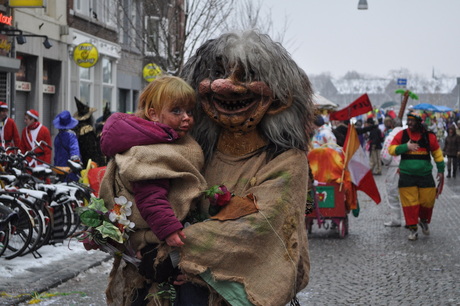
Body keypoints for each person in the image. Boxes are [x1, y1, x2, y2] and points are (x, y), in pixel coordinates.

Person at [104, 30, 314, 306]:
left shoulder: (286, 161)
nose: (227, 85)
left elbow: (260, 228)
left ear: (280, 98)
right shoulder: (189, 148)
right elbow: (133, 196)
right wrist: (136, 238)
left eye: (247, 75)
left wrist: (178, 255)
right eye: (218, 72)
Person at [99, 76, 207, 304]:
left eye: (189, 111)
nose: (186, 117)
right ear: (153, 114)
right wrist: (169, 230)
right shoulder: (151, 152)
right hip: (156, 235)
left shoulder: (163, 139)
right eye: (176, 111)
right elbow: (151, 197)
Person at [389, 112, 445, 241]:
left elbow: (437, 154)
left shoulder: (429, 136)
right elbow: (391, 150)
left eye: (412, 121)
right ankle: (413, 229)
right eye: (408, 120)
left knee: (428, 201)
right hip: (406, 176)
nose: (409, 123)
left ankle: (424, 220)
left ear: (419, 122)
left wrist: (441, 170)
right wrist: (406, 147)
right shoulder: (402, 134)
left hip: (425, 175)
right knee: (410, 204)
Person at [381, 117, 404, 227]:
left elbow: (386, 156)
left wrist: (385, 162)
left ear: (392, 125)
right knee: (409, 194)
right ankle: (412, 220)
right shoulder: (408, 135)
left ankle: (396, 219)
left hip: (394, 167)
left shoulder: (390, 137)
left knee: (392, 193)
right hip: (408, 167)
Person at [72, 97, 105, 167]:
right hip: (89, 163)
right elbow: (92, 150)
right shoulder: (88, 130)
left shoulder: (76, 129)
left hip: (80, 161)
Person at [52, 110, 81, 181]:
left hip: (59, 168)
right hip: (69, 170)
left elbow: (56, 155)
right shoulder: (71, 136)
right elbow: (74, 151)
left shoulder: (57, 137)